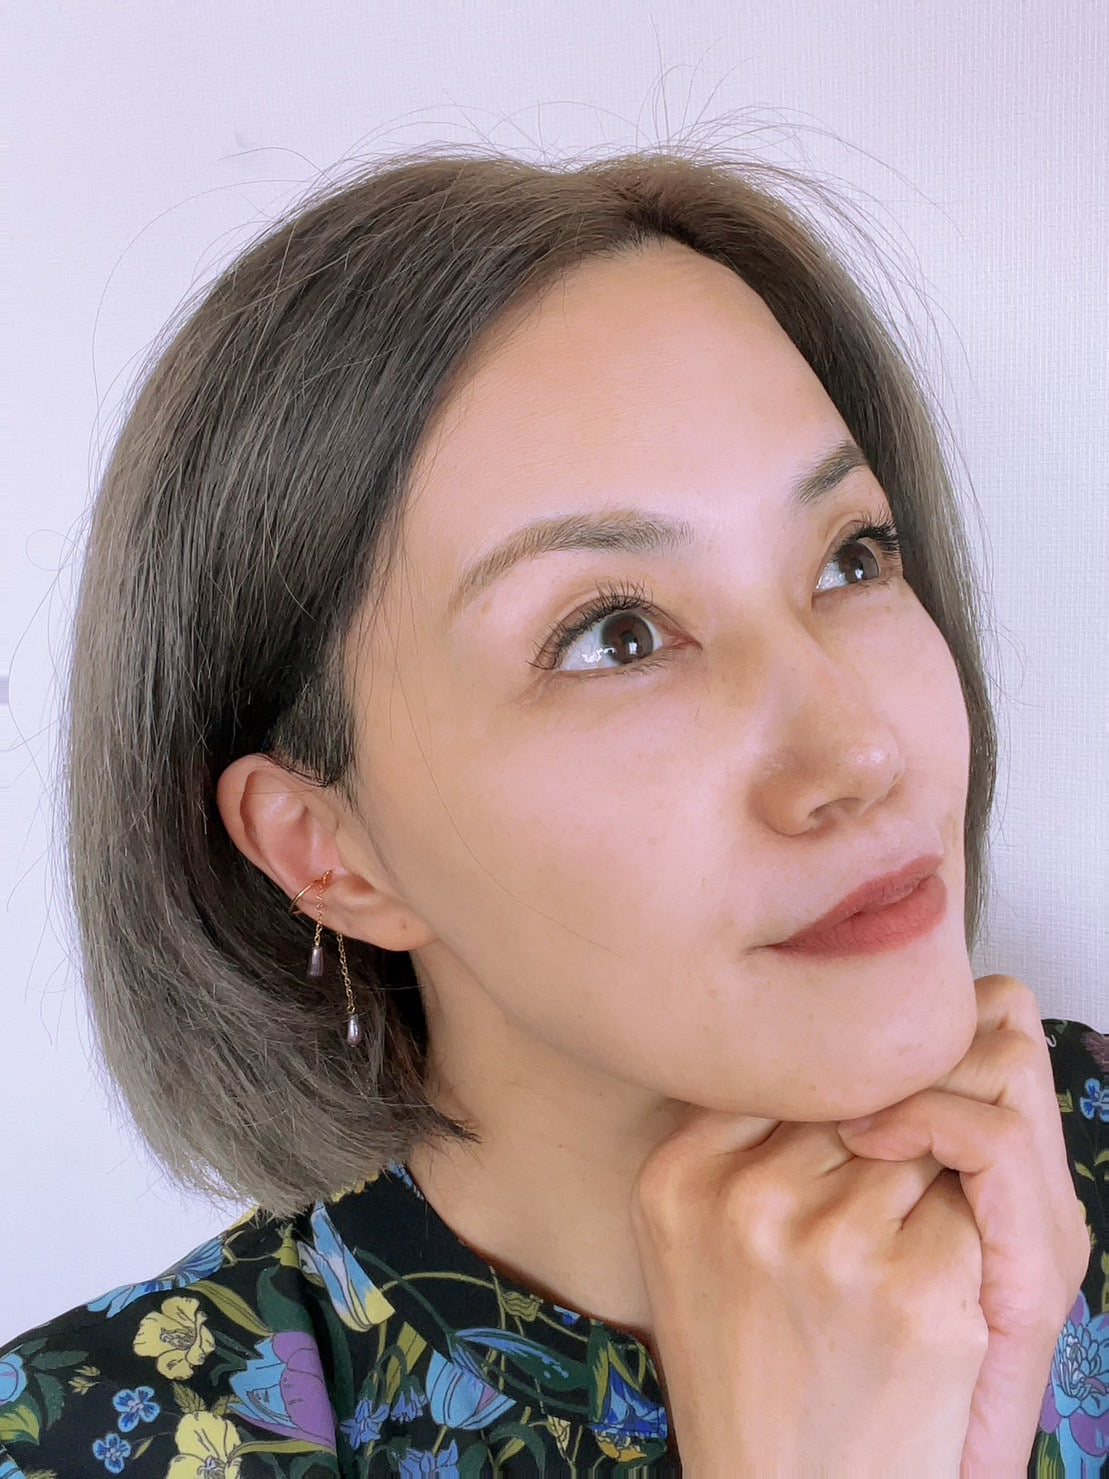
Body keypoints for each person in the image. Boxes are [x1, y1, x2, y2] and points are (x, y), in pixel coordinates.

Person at [0, 145, 1104, 1478]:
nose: (860, 750)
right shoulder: (81, 1445)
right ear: (329, 851)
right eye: (615, 635)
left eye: (850, 558)